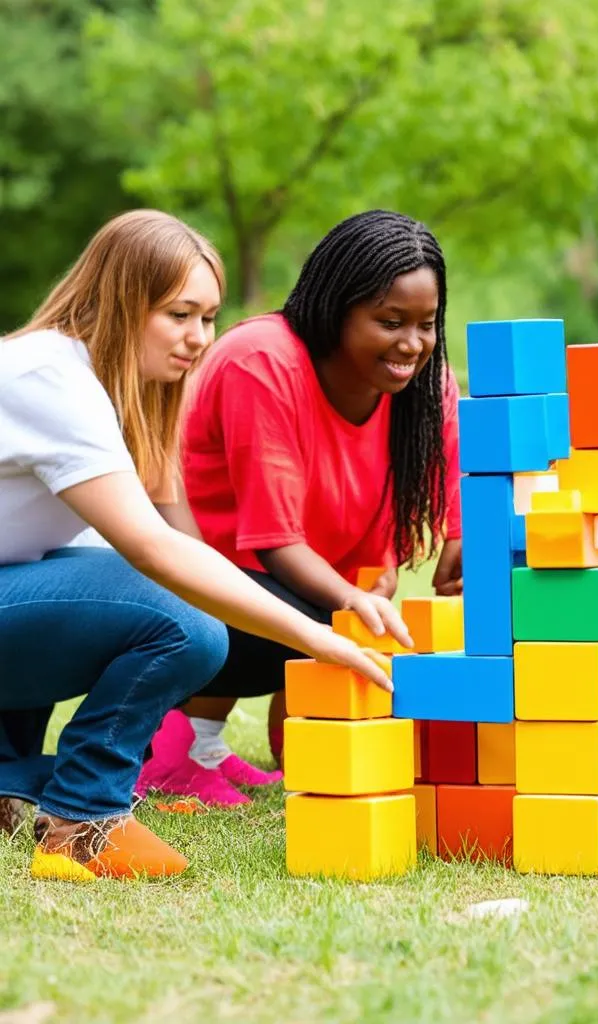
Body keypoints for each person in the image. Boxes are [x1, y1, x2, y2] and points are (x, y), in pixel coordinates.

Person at [0, 210, 392, 882]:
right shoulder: (47, 379)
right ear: (122, 300)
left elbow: (177, 540)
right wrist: (313, 634)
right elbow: (155, 553)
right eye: (179, 315)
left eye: (208, 318)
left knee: (118, 592)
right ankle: (82, 817)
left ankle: (12, 783)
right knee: (187, 628)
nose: (198, 339)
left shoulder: (112, 387)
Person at [135, 210, 462, 806]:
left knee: (357, 610)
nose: (412, 344)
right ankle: (168, 747)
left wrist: (463, 543)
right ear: (337, 310)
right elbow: (273, 541)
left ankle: (238, 741)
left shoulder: (424, 381)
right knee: (338, 615)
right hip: (208, 579)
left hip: (315, 569)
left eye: (426, 324)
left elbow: (456, 483)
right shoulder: (263, 362)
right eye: (390, 322)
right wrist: (350, 601)